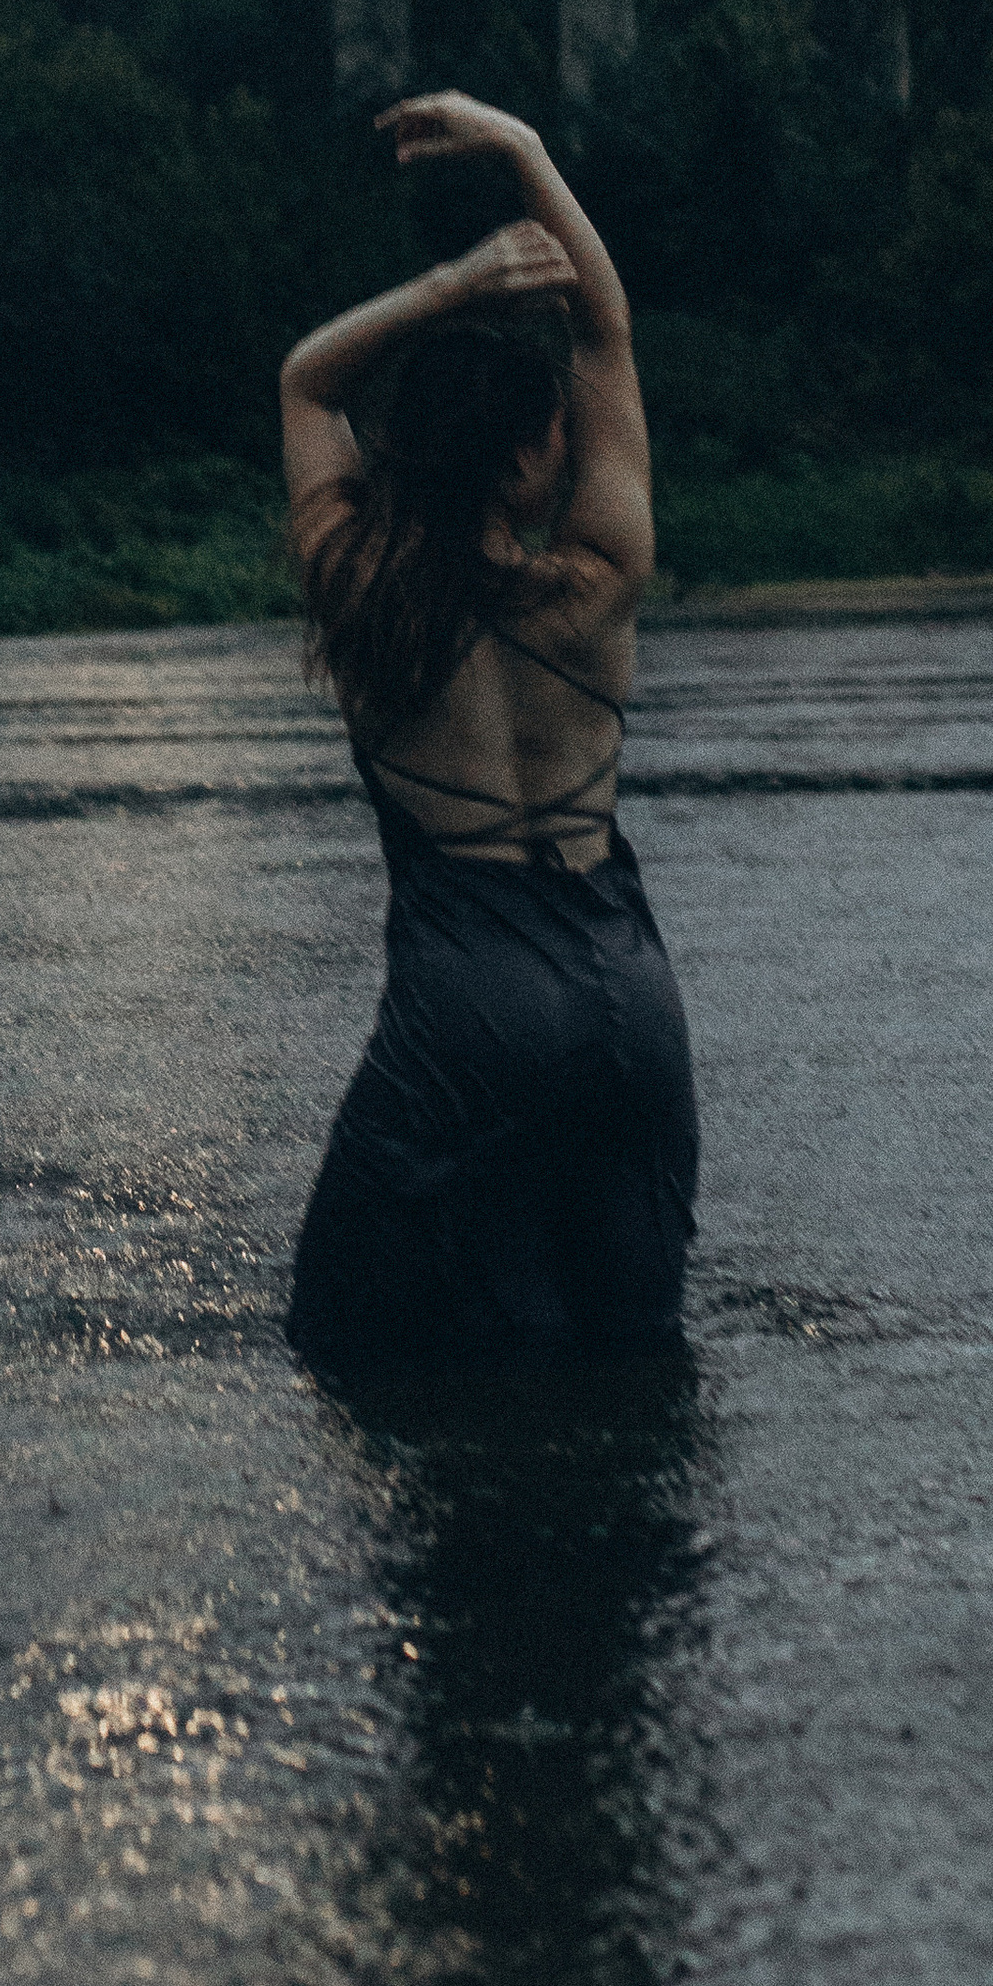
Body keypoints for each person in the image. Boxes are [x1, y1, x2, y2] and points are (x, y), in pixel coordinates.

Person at [279, 90, 698, 1380]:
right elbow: (606, 325)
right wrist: (524, 152)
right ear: (530, 459)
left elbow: (306, 375)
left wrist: (450, 287)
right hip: (632, 996)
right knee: (630, 1358)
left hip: (471, 1008)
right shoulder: (598, 583)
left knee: (354, 1342)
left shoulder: (358, 585)